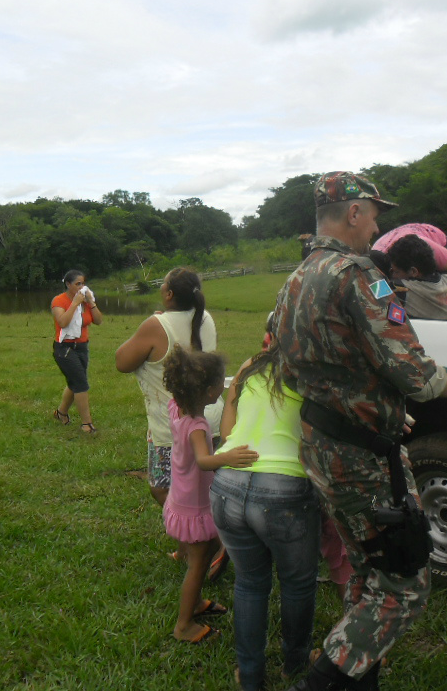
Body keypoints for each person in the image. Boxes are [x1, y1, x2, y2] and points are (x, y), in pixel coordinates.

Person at [274, 171, 447, 691]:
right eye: (373, 214)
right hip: (362, 456)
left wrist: (359, 400)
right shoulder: (361, 275)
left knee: (368, 569)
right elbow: (412, 370)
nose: (376, 227)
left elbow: (286, 361)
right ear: (353, 212)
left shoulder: (297, 277)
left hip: (322, 444)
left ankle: (359, 676)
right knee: (403, 584)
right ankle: (322, 682)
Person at [211, 336, 320, 691]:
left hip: (227, 484)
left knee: (249, 583)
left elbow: (227, 433)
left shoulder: (249, 366)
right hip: (284, 489)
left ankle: (250, 675)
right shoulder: (311, 373)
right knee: (297, 583)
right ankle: (295, 664)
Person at [115, 267, 228, 577]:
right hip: (210, 418)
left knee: (162, 487)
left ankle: (210, 542)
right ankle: (190, 544)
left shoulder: (156, 325)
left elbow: (122, 361)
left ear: (168, 294)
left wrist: (153, 323)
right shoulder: (205, 318)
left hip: (174, 426)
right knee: (203, 486)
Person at [162, 346, 259, 644]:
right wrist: (228, 457)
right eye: (220, 382)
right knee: (199, 562)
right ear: (207, 392)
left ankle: (196, 602)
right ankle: (184, 625)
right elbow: (204, 460)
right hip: (194, 503)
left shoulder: (176, 407)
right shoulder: (197, 425)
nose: (223, 386)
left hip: (182, 495)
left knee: (206, 551)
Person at [51, 270, 103, 433]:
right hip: (65, 348)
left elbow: (98, 321)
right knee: (81, 384)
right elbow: (63, 322)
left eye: (83, 283)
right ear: (68, 284)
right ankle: (86, 424)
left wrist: (91, 302)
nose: (81, 287)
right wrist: (74, 304)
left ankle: (61, 413)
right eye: (77, 284)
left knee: (75, 382)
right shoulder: (59, 301)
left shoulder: (85, 301)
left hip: (82, 347)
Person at [387, 234, 447, 321]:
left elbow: (378, 293)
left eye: (396, 271)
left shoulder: (400, 289)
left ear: (413, 272)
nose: (393, 275)